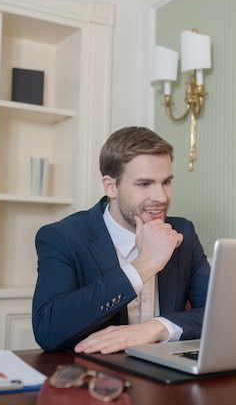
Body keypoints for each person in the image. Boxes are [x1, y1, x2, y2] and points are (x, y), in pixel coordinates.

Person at [32, 126, 211, 354]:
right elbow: (48, 330)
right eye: (144, 184)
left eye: (166, 182)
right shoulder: (63, 237)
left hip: (167, 375)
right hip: (96, 378)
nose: (161, 197)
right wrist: (145, 264)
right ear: (111, 187)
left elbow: (221, 313)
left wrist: (158, 327)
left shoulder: (183, 232)